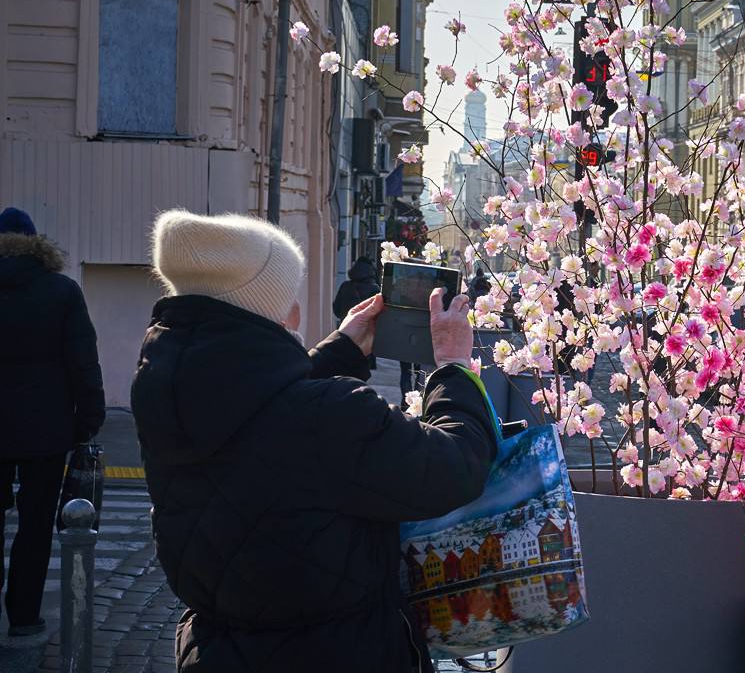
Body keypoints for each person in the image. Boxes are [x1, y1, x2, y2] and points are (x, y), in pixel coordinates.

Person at [131, 210, 497, 673]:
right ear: (281, 310)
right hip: (340, 652)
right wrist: (453, 368)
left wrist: (340, 350)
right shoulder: (329, 414)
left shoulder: (163, 390)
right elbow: (456, 467)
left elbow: (262, 419)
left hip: (218, 651)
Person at [0, 207, 106, 637]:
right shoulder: (61, 290)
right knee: (37, 522)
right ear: (34, 240)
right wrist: (90, 417)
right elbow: (83, 360)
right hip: (45, 426)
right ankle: (24, 615)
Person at [332, 254, 380, 322]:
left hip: (345, 327)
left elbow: (336, 310)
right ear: (371, 271)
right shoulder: (374, 289)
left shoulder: (345, 286)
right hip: (365, 329)